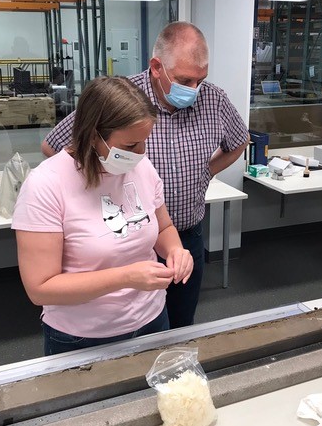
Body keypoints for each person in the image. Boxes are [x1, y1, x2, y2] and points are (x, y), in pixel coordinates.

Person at [42, 22, 250, 328]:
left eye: (200, 80)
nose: (194, 90)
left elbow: (239, 140)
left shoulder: (213, 100)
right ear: (156, 67)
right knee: (121, 325)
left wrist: (205, 173)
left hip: (183, 234)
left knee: (176, 322)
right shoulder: (122, 99)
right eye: (184, 80)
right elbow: (54, 146)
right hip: (130, 240)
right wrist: (98, 188)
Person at [12, 76, 193, 355]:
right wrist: (125, 278)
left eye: (145, 142)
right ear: (94, 135)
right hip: (83, 337)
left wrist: (176, 250)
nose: (141, 153)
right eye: (131, 146)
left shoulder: (141, 168)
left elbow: (163, 226)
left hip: (152, 319)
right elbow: (40, 289)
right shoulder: (46, 185)